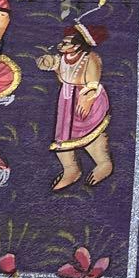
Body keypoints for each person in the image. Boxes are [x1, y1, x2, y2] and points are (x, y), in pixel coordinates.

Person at [36, 22, 113, 190]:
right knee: (63, 137)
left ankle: (103, 164)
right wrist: (48, 63)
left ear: (78, 45)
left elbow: (92, 83)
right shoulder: (64, 58)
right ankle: (71, 169)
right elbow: (60, 72)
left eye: (66, 42)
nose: (61, 45)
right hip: (67, 101)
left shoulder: (90, 58)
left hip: (87, 99)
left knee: (91, 133)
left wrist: (87, 100)